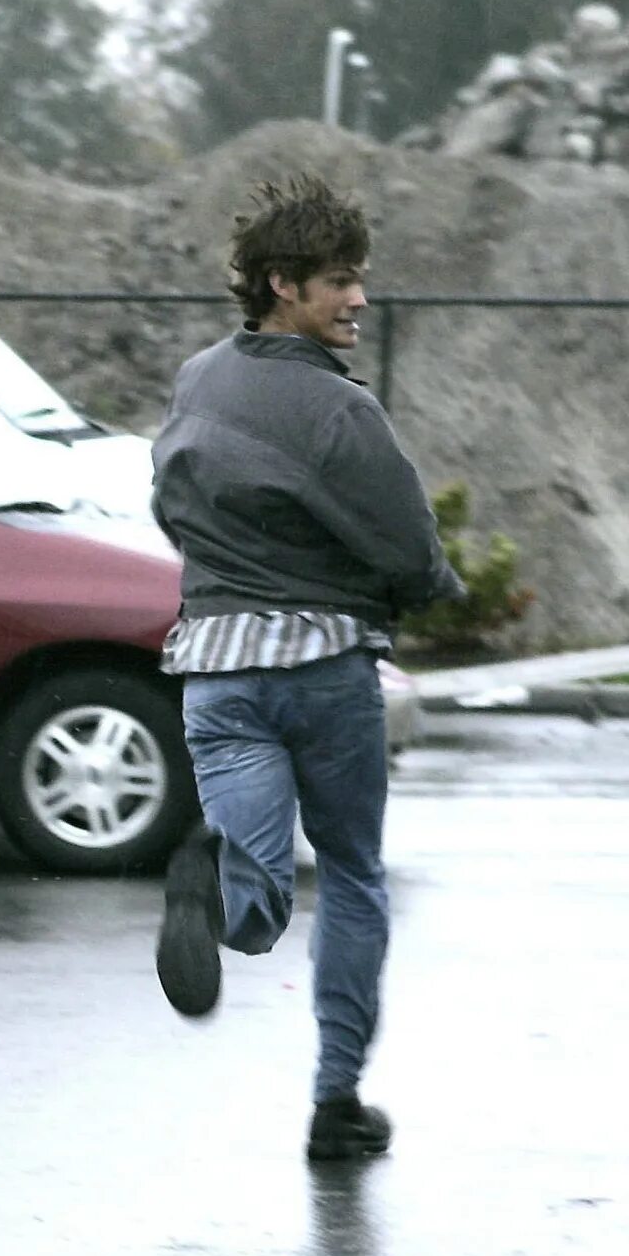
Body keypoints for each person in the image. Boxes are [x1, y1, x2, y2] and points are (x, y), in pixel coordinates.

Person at [146, 173, 460, 1163]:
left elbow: (169, 497)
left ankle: (215, 877)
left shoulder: (198, 381)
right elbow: (410, 546)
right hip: (324, 669)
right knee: (356, 876)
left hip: (216, 670)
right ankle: (336, 1104)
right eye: (338, 281)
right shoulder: (340, 414)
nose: (359, 299)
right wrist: (430, 591)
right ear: (282, 284)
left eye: (359, 279)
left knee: (259, 891)